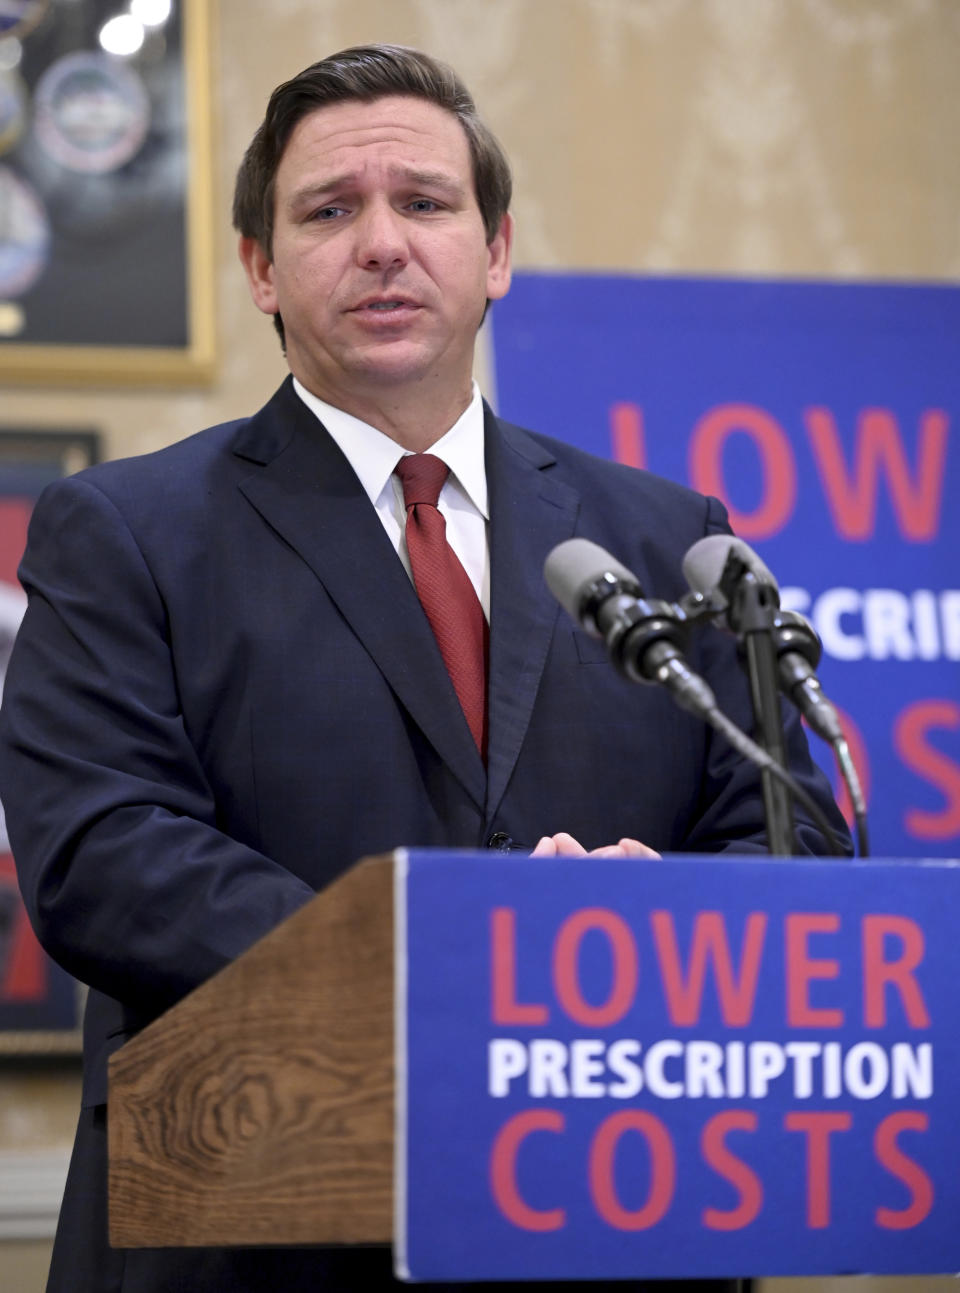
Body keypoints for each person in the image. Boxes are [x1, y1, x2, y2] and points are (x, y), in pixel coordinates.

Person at [0, 44, 848, 1293]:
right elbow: (103, 857)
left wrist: (659, 919)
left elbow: (797, 834)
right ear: (261, 270)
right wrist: (458, 958)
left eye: (426, 203)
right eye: (330, 211)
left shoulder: (667, 537)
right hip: (254, 1229)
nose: (383, 243)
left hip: (607, 1220)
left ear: (494, 251)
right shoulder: (127, 530)